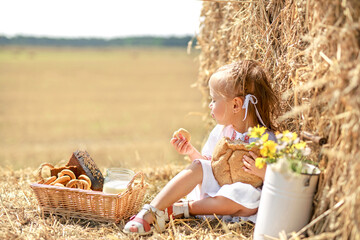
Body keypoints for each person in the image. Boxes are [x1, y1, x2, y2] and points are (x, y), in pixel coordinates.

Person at [123, 60, 278, 235]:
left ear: (235, 105)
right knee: (199, 166)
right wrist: (191, 152)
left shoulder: (266, 139)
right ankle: (150, 211)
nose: (210, 105)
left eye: (214, 99)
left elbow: (280, 183)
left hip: (237, 204)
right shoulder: (222, 131)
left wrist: (263, 171)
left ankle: (180, 209)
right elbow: (210, 166)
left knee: (244, 194)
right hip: (214, 190)